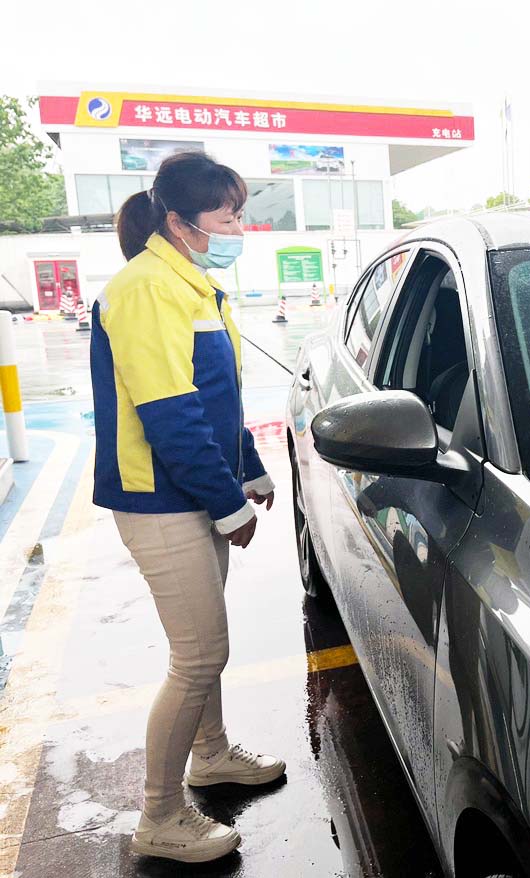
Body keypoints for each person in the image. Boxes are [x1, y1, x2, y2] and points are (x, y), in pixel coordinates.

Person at [91, 151, 285, 864]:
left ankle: (212, 755)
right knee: (200, 654)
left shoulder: (192, 284)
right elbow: (170, 415)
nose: (237, 230)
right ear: (179, 222)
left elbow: (215, 399)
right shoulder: (146, 288)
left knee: (205, 645)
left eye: (238, 216)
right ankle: (161, 815)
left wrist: (248, 468)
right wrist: (228, 505)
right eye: (226, 218)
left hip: (196, 489)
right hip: (161, 498)